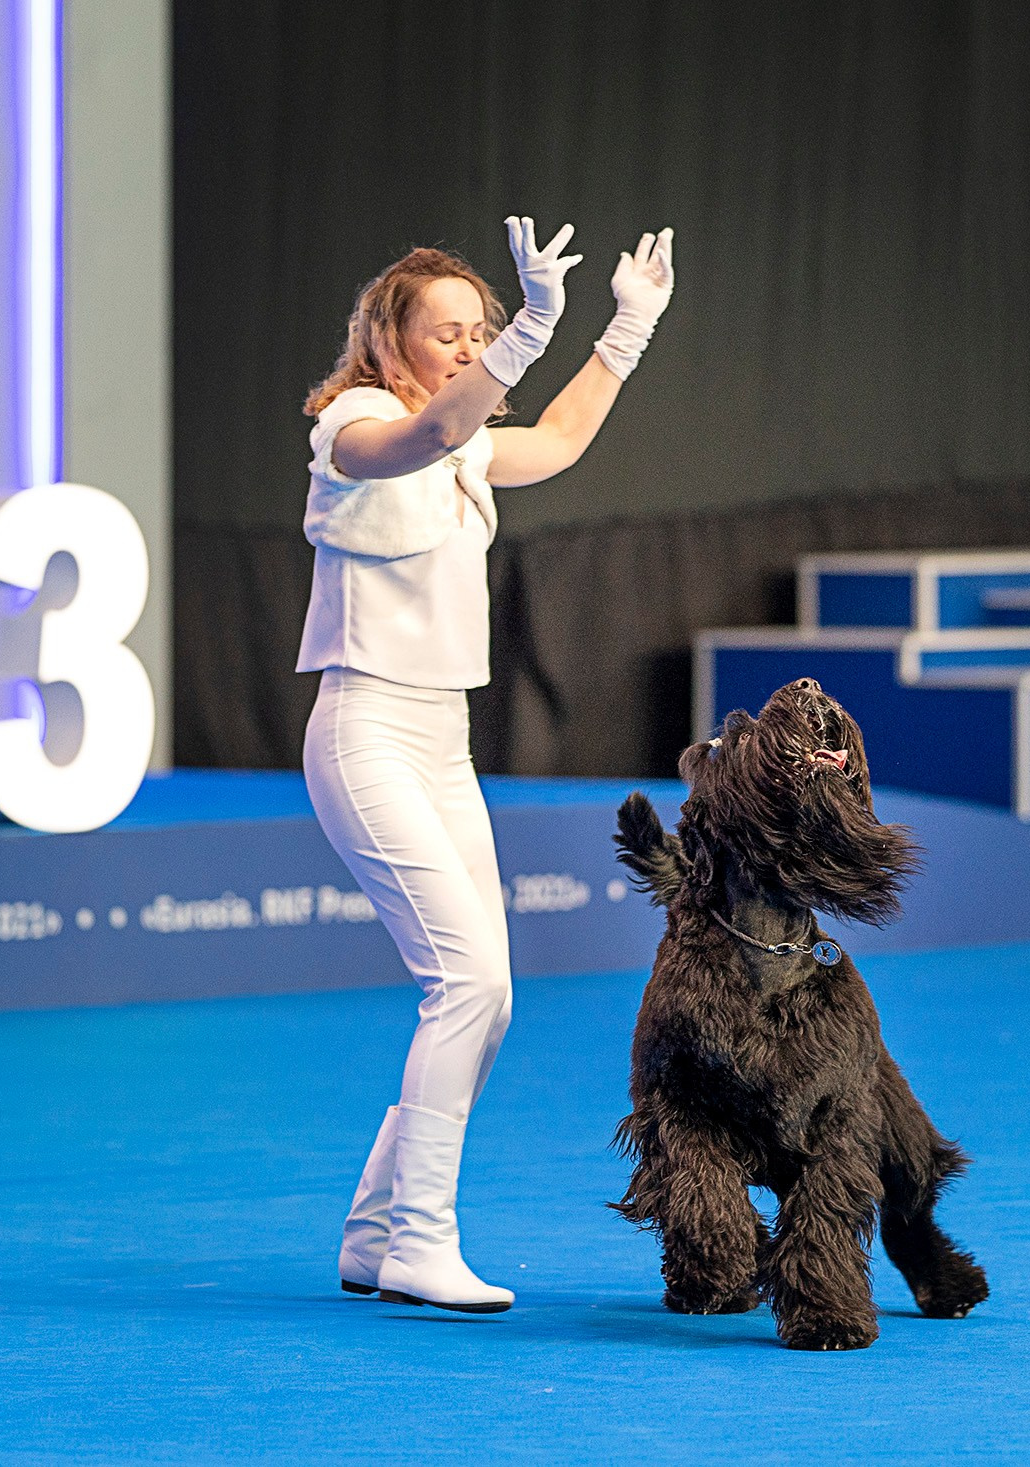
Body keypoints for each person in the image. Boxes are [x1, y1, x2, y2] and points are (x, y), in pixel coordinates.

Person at [301, 216, 675, 1312]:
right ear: (389, 343)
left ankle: (374, 1235)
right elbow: (413, 446)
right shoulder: (355, 424)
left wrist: (624, 330)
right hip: (364, 728)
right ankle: (420, 1238)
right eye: (447, 335)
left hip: (441, 740)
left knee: (490, 995)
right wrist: (527, 336)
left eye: (481, 332)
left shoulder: (463, 438)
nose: (467, 351)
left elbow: (554, 441)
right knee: (461, 983)